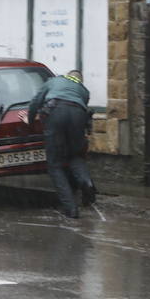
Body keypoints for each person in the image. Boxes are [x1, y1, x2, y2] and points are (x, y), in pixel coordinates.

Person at [27, 69, 96, 219]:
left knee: (55, 165)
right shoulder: (84, 91)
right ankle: (87, 182)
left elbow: (36, 101)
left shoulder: (53, 81)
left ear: (67, 75)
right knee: (75, 156)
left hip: (55, 112)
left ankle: (71, 209)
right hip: (78, 115)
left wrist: (30, 120)